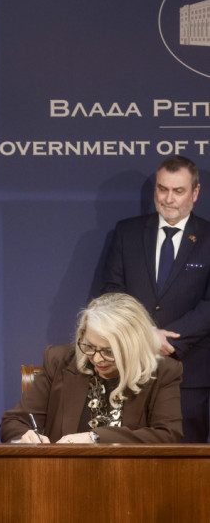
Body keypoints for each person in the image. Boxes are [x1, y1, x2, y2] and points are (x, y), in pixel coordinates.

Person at [101, 155, 210, 442]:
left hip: (190, 372)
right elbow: (112, 293)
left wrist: (168, 340)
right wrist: (145, 334)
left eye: (178, 191)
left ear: (195, 192)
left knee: (186, 459)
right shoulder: (127, 232)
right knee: (129, 454)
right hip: (132, 367)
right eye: (163, 189)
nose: (168, 199)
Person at [1, 293, 182, 444]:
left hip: (130, 474)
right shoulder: (59, 361)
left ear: (133, 346)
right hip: (63, 472)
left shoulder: (162, 372)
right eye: (90, 346)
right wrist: (24, 437)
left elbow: (168, 435)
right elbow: (14, 422)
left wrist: (94, 437)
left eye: (109, 351)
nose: (96, 358)